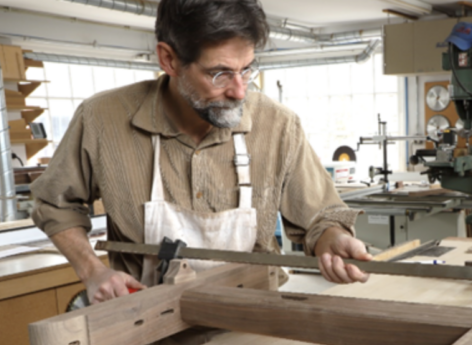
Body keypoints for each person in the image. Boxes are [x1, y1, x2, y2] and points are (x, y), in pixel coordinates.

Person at [31, 0, 372, 313]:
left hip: (256, 322)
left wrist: (332, 240)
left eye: (247, 69)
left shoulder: (277, 125)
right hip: (147, 327)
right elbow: (53, 203)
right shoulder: (102, 119)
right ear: (169, 59)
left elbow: (321, 218)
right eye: (219, 73)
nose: (239, 91)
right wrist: (93, 271)